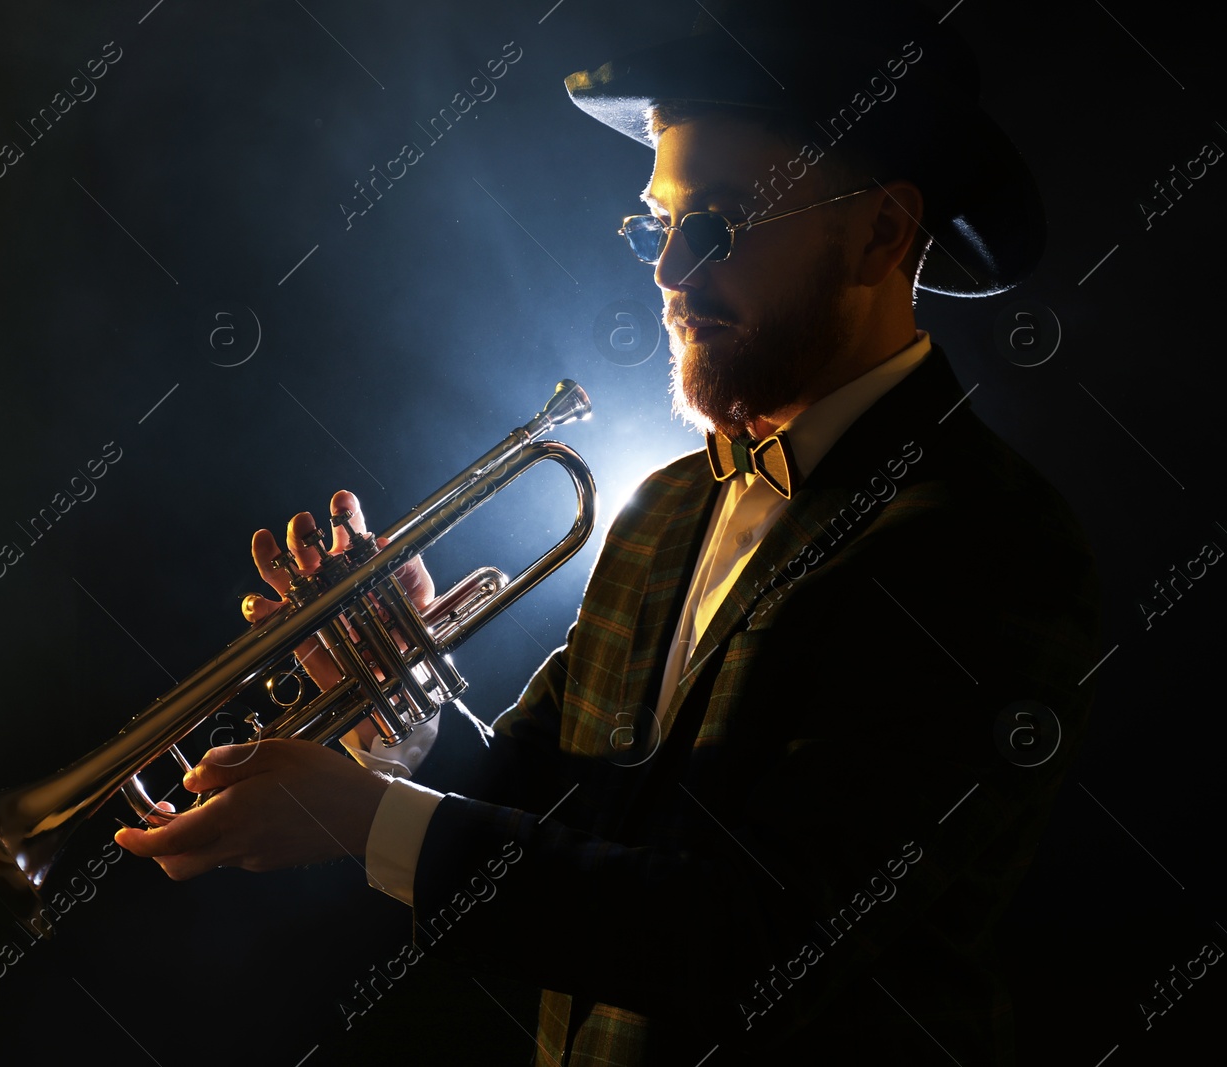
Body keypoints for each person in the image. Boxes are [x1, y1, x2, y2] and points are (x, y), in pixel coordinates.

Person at [115, 1, 1101, 1063]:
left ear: (879, 231)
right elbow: (555, 811)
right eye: (655, 225)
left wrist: (366, 821)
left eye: (718, 221)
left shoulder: (990, 543)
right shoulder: (663, 507)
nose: (671, 275)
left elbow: (765, 937)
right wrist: (393, 720)